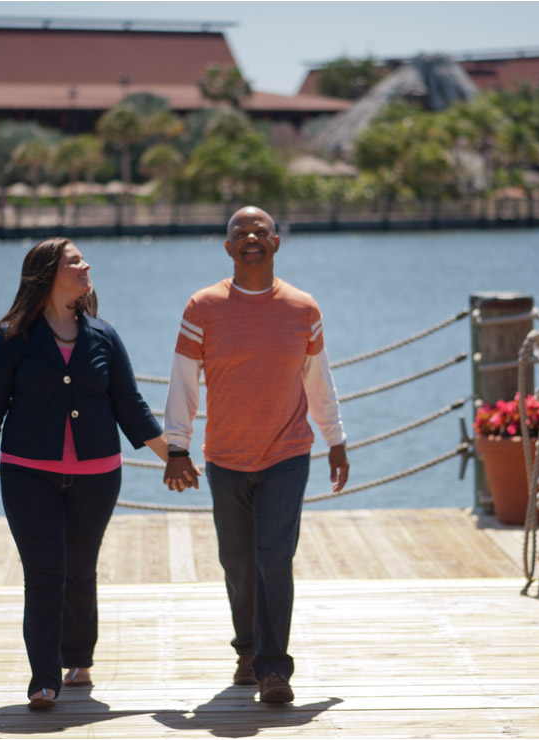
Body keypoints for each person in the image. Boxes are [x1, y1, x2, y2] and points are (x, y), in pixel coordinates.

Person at [0, 237, 175, 709]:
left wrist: (175, 457)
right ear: (47, 274)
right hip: (27, 474)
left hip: (98, 475)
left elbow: (131, 406)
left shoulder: (103, 335)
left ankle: (79, 658)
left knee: (79, 570)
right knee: (45, 572)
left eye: (83, 260)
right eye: (74, 261)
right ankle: (43, 679)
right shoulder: (12, 339)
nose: (86, 266)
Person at [162, 205, 349, 704]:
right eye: (240, 232)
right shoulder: (202, 308)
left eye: (260, 231)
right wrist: (176, 447)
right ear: (228, 247)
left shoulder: (302, 308)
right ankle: (246, 650)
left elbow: (318, 381)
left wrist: (336, 439)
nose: (250, 237)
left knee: (274, 558)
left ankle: (273, 669)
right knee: (236, 561)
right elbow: (183, 384)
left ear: (276, 242)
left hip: (287, 454)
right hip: (225, 457)